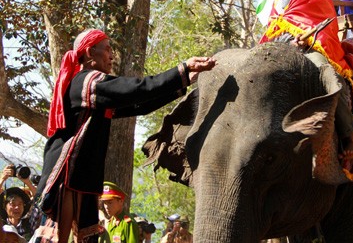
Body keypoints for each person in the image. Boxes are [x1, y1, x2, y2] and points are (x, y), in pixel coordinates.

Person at [33, 28, 216, 243]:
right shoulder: (88, 82)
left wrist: (182, 81)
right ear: (90, 52)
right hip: (67, 174)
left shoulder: (96, 93)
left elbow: (139, 104)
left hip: (81, 178)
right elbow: (137, 90)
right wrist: (181, 70)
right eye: (107, 49)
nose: (112, 55)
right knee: (56, 238)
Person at [259, 0, 353, 160]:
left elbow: (322, 23)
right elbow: (273, 28)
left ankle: (348, 135)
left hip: (312, 48)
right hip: (281, 49)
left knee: (326, 73)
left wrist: (307, 41)